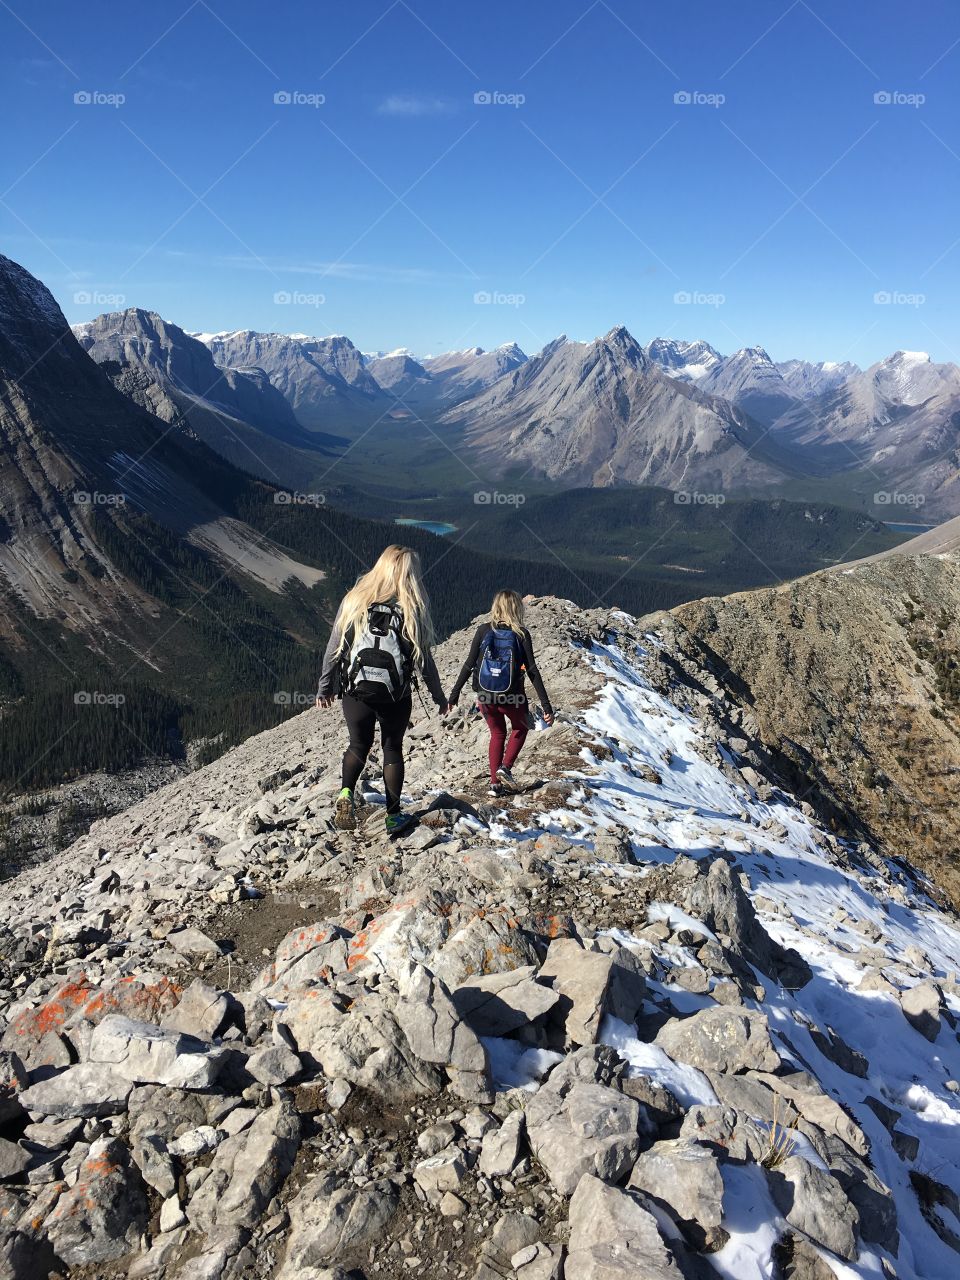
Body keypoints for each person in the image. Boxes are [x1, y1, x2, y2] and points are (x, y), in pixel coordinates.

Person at [317, 545, 446, 835]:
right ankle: (393, 816)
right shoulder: (410, 608)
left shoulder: (354, 600)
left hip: (356, 692)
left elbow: (333, 649)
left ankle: (346, 794)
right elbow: (424, 661)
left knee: (358, 745)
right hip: (395, 696)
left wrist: (325, 688)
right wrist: (439, 697)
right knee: (392, 749)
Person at [447, 589, 554, 794]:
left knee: (497, 733)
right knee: (520, 728)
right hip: (512, 697)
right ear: (516, 608)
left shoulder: (483, 630)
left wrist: (454, 694)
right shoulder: (521, 634)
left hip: (485, 696)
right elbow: (532, 670)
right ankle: (505, 767)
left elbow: (469, 664)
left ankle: (495, 784)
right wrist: (546, 706)